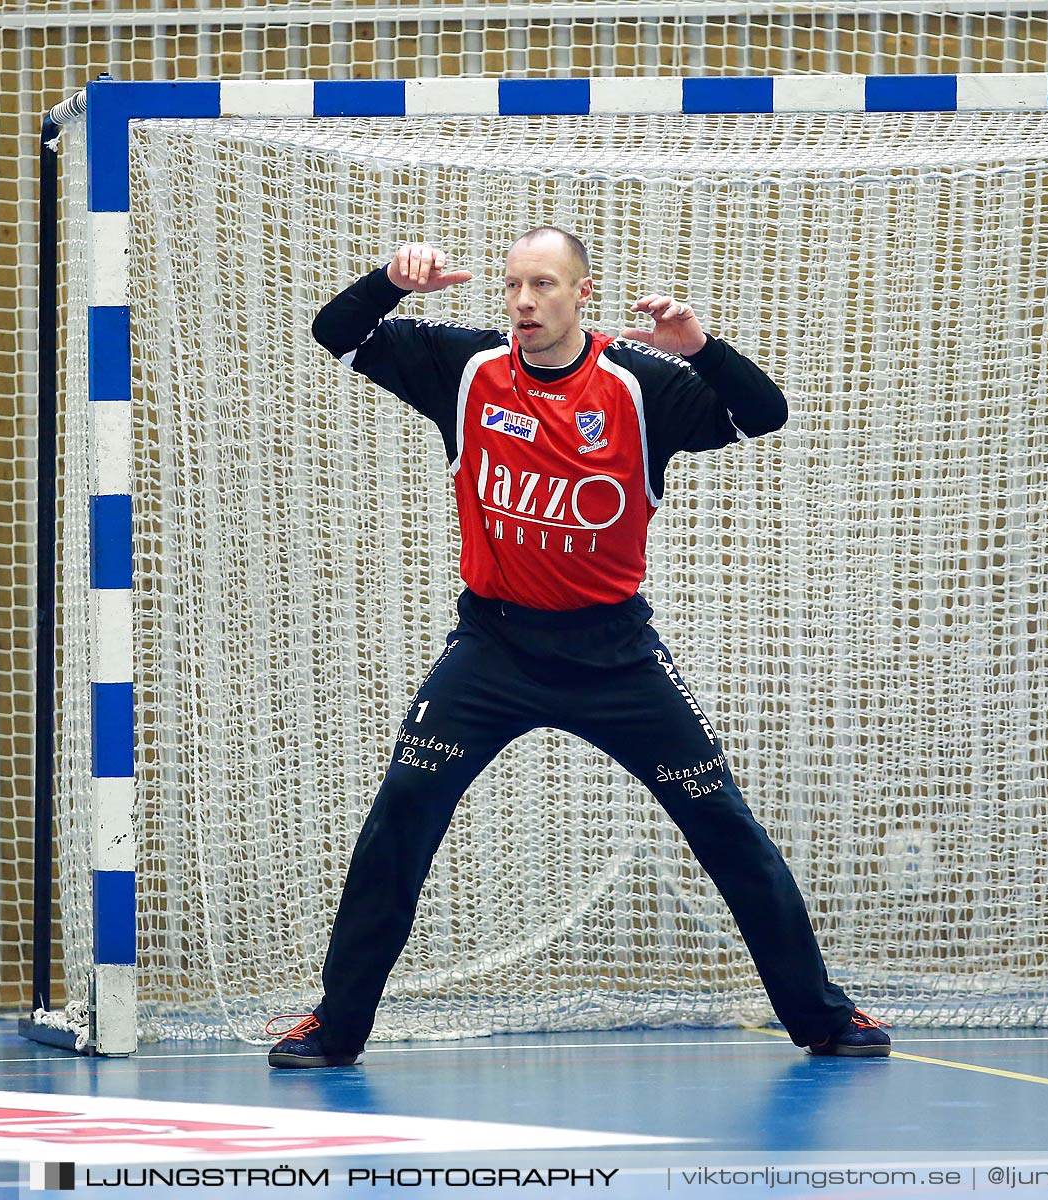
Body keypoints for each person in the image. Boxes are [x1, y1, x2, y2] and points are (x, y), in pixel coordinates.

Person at [268, 227, 889, 1067]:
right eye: (516, 285)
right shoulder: (469, 369)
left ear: (580, 294)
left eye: (545, 286)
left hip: (616, 658)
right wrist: (387, 281)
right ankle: (334, 1030)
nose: (524, 302)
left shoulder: (640, 385)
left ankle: (823, 1019)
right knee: (397, 826)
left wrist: (700, 348)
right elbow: (336, 333)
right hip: (493, 650)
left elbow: (762, 414)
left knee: (726, 829)